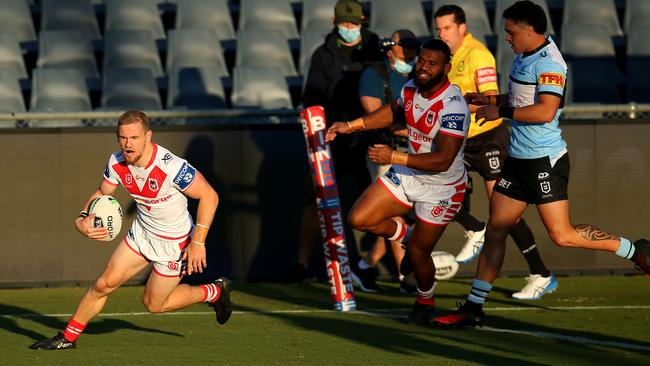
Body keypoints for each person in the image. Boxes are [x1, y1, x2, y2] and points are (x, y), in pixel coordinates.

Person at [432, 0, 650, 329]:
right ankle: (474, 307)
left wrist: (499, 112)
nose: (506, 37)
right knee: (496, 229)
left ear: (531, 31)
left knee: (562, 235)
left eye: (511, 32)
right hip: (517, 161)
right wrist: (487, 100)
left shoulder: (551, 63)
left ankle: (635, 250)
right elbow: (521, 100)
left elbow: (545, 111)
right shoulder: (523, 56)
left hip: (543, 162)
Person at [30, 110, 232, 350]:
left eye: (134, 138)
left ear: (148, 136)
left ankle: (213, 292)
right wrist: (81, 219)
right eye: (123, 138)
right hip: (142, 233)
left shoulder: (172, 167)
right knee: (104, 283)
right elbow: (102, 194)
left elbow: (210, 196)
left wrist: (198, 242)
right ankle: (68, 338)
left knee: (154, 304)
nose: (128, 144)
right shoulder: (116, 162)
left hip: (174, 244)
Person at [326, 39, 471, 325]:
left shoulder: (454, 107)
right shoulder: (409, 88)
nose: (424, 68)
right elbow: (392, 112)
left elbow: (442, 159)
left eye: (432, 63)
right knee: (359, 218)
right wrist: (351, 125)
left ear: (447, 68)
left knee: (418, 253)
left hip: (442, 187)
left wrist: (393, 156)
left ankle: (425, 300)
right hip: (411, 173)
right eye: (421, 61)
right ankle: (405, 235)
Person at [434, 4, 557, 300]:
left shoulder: (477, 54)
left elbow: (493, 97)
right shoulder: (449, 55)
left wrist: (474, 102)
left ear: (462, 28)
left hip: (487, 138)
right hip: (461, 140)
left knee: (503, 213)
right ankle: (474, 229)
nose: (441, 33)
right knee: (436, 188)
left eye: (447, 28)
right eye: (438, 28)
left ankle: (539, 272)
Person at [287, 0, 383, 283]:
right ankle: (302, 266)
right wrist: (320, 137)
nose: (349, 28)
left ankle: (382, 266)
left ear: (363, 21)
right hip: (333, 137)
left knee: (389, 201)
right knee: (314, 198)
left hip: (371, 137)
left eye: (354, 24)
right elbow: (312, 99)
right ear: (334, 21)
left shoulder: (376, 51)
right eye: (345, 23)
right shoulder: (323, 55)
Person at [352, 29, 420, 294]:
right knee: (396, 213)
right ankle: (407, 277)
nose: (412, 52)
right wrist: (421, 130)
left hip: (417, 151)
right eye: (407, 45)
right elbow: (377, 117)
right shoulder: (374, 75)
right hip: (386, 151)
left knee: (411, 216)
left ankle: (365, 264)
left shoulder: (419, 75)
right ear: (390, 48)